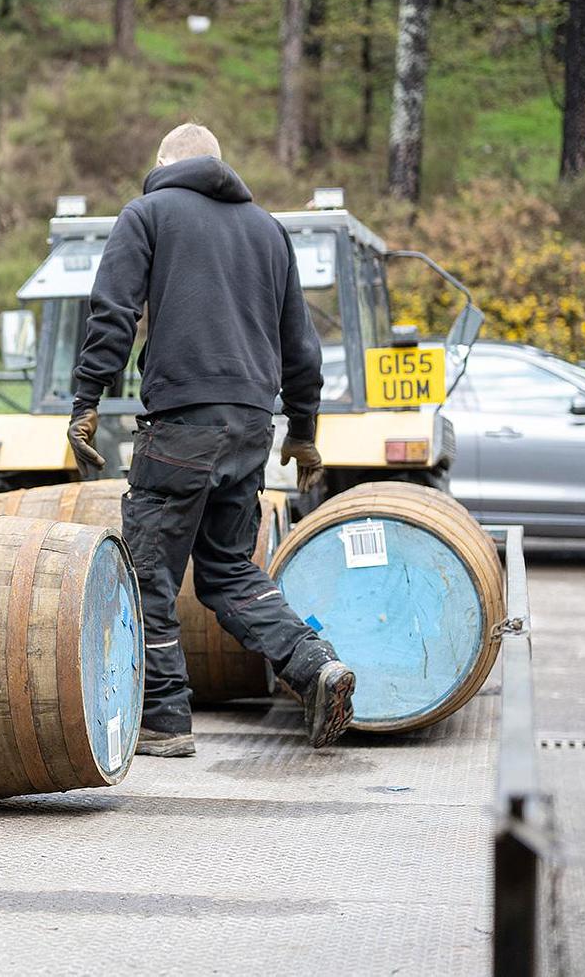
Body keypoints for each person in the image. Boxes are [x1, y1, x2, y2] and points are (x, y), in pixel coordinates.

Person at [66, 123, 354, 755]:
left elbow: (112, 311)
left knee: (148, 574)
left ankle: (164, 720)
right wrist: (303, 431)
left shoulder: (147, 214)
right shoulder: (268, 230)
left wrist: (86, 401)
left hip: (182, 423)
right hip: (252, 424)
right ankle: (314, 666)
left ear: (161, 162)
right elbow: (302, 346)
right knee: (229, 572)